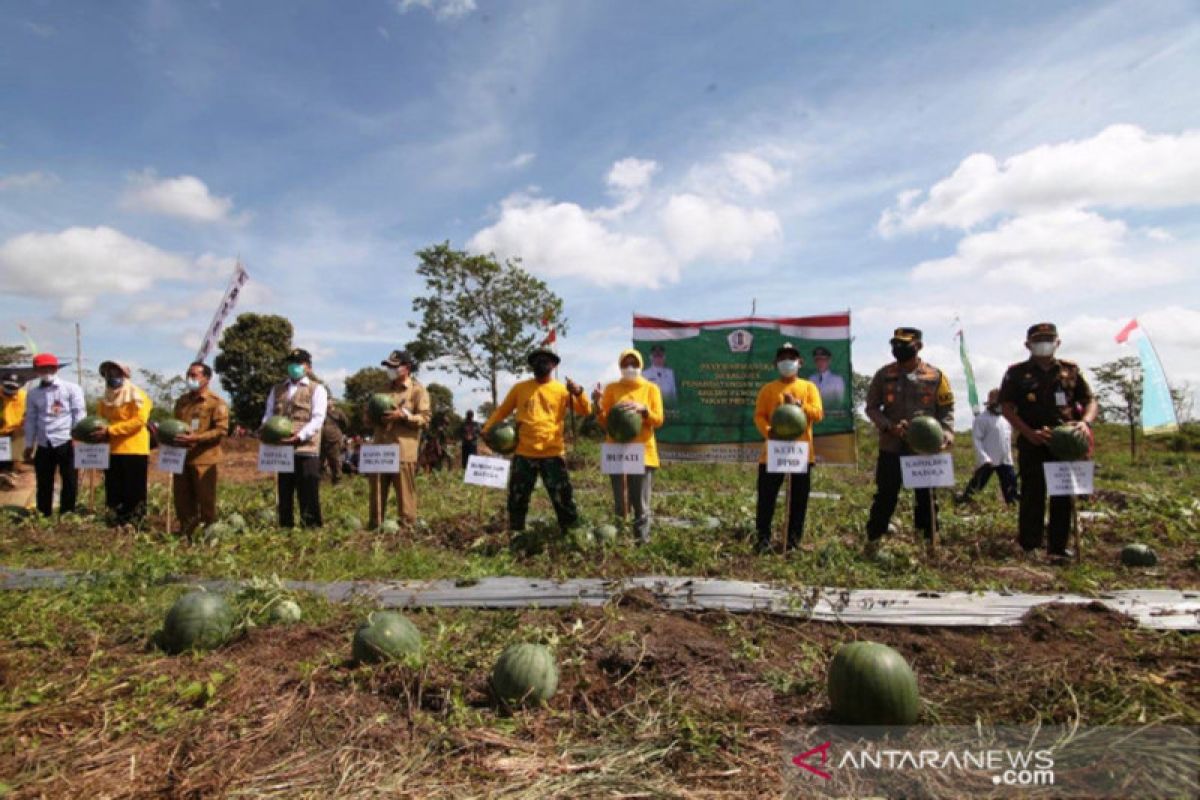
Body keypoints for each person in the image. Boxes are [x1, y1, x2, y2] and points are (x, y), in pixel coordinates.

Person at [999, 323, 1098, 561]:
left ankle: (1058, 547)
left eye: (1048, 338)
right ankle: (1029, 545)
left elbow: (1090, 401)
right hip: (1032, 441)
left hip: (1065, 443)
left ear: (1057, 343)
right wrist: (1028, 432)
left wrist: (1085, 422)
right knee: (1033, 493)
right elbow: (1006, 407)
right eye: (1038, 339)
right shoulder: (1016, 373)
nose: (1044, 343)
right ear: (1028, 344)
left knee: (1063, 494)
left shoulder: (1070, 370)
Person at [863, 328, 954, 553]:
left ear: (918, 347)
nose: (899, 350)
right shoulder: (883, 374)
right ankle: (874, 541)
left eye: (905, 345)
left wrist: (947, 434)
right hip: (891, 445)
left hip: (924, 449)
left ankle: (928, 544)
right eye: (895, 345)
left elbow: (946, 409)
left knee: (926, 498)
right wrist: (887, 426)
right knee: (885, 495)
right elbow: (872, 407)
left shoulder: (936, 376)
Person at [482, 348, 590, 535]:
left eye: (546, 360)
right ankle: (516, 535)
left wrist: (579, 392)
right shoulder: (520, 388)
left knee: (563, 499)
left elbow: (586, 410)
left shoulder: (563, 390)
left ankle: (572, 536)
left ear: (554, 365)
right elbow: (502, 411)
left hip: (553, 453)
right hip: (524, 453)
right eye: (537, 360)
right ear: (532, 365)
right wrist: (486, 429)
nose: (541, 362)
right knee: (517, 499)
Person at [752, 343, 824, 554]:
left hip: (800, 452)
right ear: (776, 363)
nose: (787, 361)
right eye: (782, 358)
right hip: (773, 452)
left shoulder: (809, 387)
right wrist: (768, 431)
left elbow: (818, 413)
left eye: (791, 358)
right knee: (766, 498)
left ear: (799, 363)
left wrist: (800, 405)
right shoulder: (768, 389)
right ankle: (762, 540)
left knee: (798, 500)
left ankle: (792, 542)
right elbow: (759, 415)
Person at [593, 349, 665, 544]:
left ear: (641, 365)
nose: (630, 367)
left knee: (640, 503)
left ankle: (642, 542)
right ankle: (621, 541)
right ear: (620, 366)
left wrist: (644, 410)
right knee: (620, 502)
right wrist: (598, 405)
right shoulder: (611, 389)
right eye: (626, 364)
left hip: (642, 451)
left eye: (634, 363)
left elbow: (658, 420)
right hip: (616, 450)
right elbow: (604, 421)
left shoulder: (651, 389)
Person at [262, 348, 328, 528]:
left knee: (308, 490)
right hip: (281, 448)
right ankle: (286, 527)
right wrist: (267, 430)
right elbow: (268, 414)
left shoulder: (317, 389)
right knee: (284, 490)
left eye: (298, 363)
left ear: (308, 367)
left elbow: (318, 418)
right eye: (291, 363)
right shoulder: (277, 389)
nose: (294, 367)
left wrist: (299, 436)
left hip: (306, 448)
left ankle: (312, 528)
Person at [367, 350, 430, 528]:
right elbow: (368, 418)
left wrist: (403, 416)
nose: (390, 370)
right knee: (377, 492)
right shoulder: (381, 390)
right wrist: (372, 416)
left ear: (407, 368)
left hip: (403, 450)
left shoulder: (418, 391)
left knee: (405, 494)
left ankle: (407, 529)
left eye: (394, 367)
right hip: (380, 449)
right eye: (388, 366)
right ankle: (375, 526)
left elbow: (425, 419)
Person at [170, 362, 229, 538]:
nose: (190, 379)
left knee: (205, 499)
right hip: (182, 458)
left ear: (206, 378)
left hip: (204, 459)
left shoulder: (216, 403)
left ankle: (208, 534)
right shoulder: (182, 401)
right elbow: (175, 425)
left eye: (194, 375)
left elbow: (221, 430)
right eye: (189, 374)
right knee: (182, 497)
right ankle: (186, 531)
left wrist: (196, 438)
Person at [22, 354, 85, 515]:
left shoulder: (71, 388)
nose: (47, 371)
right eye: (43, 368)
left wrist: (77, 437)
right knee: (43, 482)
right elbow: (31, 419)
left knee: (70, 480)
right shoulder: (33, 393)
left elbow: (79, 414)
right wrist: (29, 444)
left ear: (56, 369)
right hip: (44, 442)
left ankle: (67, 514)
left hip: (67, 440)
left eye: (50, 367)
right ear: (36, 370)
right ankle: (43, 513)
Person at [94, 361, 153, 526]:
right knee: (114, 488)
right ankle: (115, 521)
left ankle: (135, 522)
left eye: (115, 372)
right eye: (107, 373)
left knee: (133, 489)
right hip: (112, 450)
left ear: (125, 375)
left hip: (134, 449)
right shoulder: (105, 398)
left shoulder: (137, 395)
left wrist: (110, 431)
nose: (111, 376)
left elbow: (139, 421)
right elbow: (100, 420)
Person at [957, 389, 1018, 505]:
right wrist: (984, 458)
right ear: (990, 404)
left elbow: (1007, 440)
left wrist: (1009, 457)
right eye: (997, 404)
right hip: (988, 459)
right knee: (977, 484)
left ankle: (1013, 504)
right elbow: (977, 440)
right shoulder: (981, 419)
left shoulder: (1005, 420)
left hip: (1005, 459)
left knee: (1010, 485)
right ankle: (964, 501)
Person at [0, 373, 26, 488]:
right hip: (1, 431)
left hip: (17, 429)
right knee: (3, 456)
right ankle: (3, 472)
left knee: (15, 454)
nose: (9, 391)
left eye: (13, 389)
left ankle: (12, 472)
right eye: (7, 388)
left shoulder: (24, 396)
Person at [321, 403, 349, 484]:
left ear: (332, 402)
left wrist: (337, 430)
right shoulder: (321, 411)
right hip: (321, 439)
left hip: (334, 439)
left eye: (329, 399)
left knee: (335, 460)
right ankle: (322, 480)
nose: (327, 402)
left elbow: (346, 423)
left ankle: (338, 481)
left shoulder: (338, 412)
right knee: (320, 461)